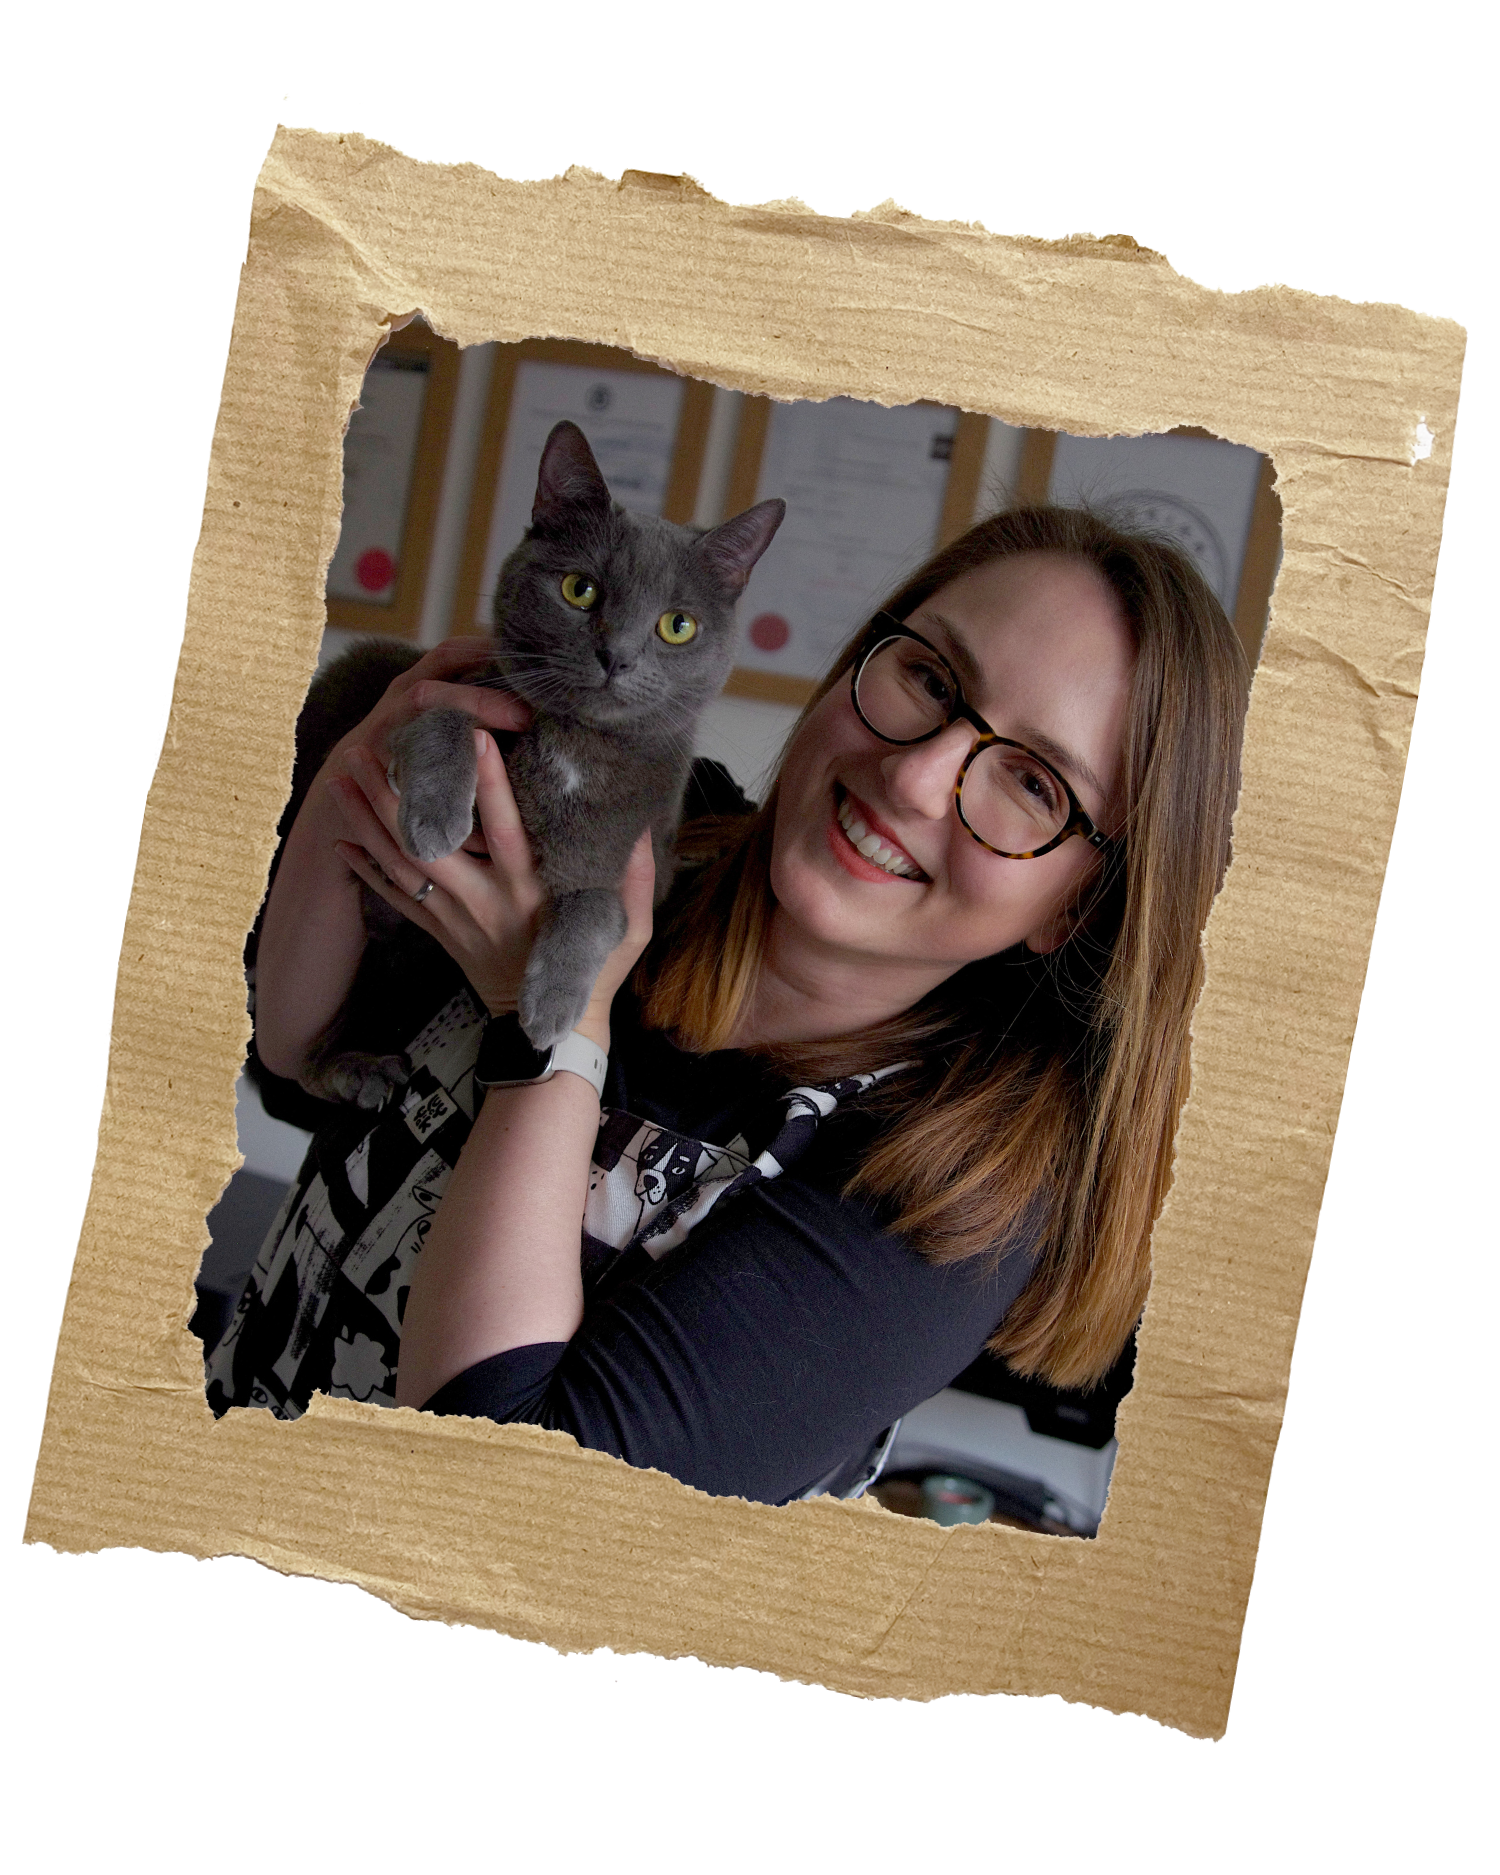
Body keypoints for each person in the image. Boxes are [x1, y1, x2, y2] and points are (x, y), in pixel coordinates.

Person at [206, 504, 1250, 1509]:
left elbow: (498, 1505)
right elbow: (311, 1075)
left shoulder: (944, 1203)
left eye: (1033, 784)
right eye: (930, 677)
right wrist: (342, 801)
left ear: (1069, 909)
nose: (919, 778)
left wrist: (555, 1031)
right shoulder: (645, 832)